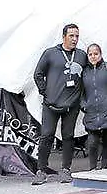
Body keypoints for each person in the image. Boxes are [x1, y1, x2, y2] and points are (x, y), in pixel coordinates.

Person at [32, 23, 89, 184]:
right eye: (71, 36)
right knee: (47, 135)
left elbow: (94, 67)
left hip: (72, 105)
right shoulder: (50, 53)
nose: (75, 39)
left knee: (68, 136)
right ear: (64, 36)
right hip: (51, 104)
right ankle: (41, 170)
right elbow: (38, 74)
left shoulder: (81, 55)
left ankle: (66, 169)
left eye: (77, 36)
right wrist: (45, 92)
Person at [80, 43, 107, 171]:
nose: (93, 56)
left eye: (96, 53)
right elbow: (81, 92)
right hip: (92, 112)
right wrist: (84, 105)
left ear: (100, 54)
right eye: (90, 54)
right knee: (92, 141)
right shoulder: (84, 72)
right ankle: (92, 167)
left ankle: (104, 167)